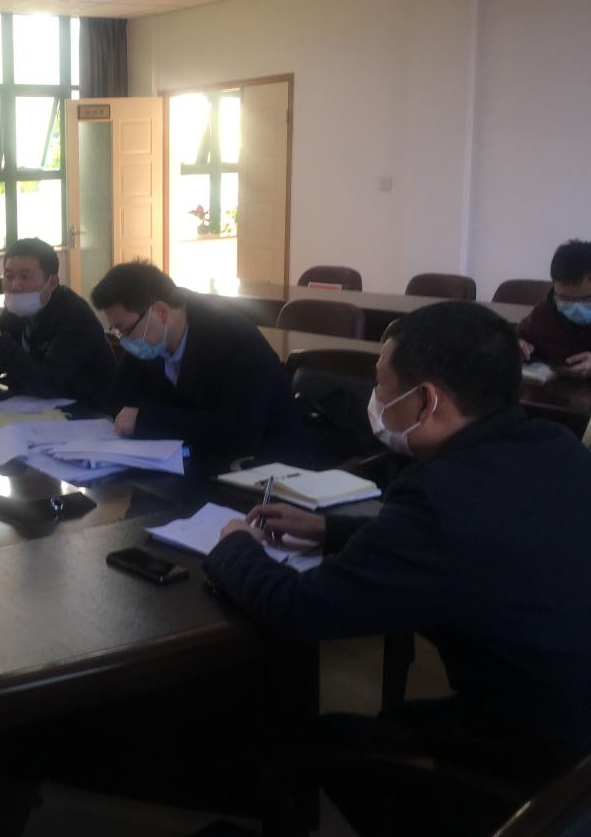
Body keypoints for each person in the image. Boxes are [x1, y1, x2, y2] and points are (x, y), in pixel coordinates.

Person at [206, 301, 591, 835]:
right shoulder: (556, 446)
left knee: (310, 743)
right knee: (390, 726)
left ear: (426, 400)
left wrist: (235, 547)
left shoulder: (441, 497)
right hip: (569, 717)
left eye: (382, 386)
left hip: (544, 764)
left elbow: (300, 610)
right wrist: (331, 529)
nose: (375, 399)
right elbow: (478, 546)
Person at [90, 261, 306, 473]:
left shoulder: (235, 340)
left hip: (266, 472)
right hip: (189, 462)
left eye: (125, 329)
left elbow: (238, 432)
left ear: (161, 312)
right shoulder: (148, 340)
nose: (124, 339)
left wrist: (147, 419)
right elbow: (117, 401)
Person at [0, 238, 114, 404]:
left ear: (52, 282)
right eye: (9, 276)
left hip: (88, 409)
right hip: (31, 405)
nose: (15, 286)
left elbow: (51, 385)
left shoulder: (74, 316)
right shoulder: (15, 311)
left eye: (25, 277)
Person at [518, 238, 591, 379]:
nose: (576, 308)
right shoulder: (543, 314)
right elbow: (518, 336)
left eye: (587, 299)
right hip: (554, 390)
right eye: (566, 299)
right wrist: (517, 345)